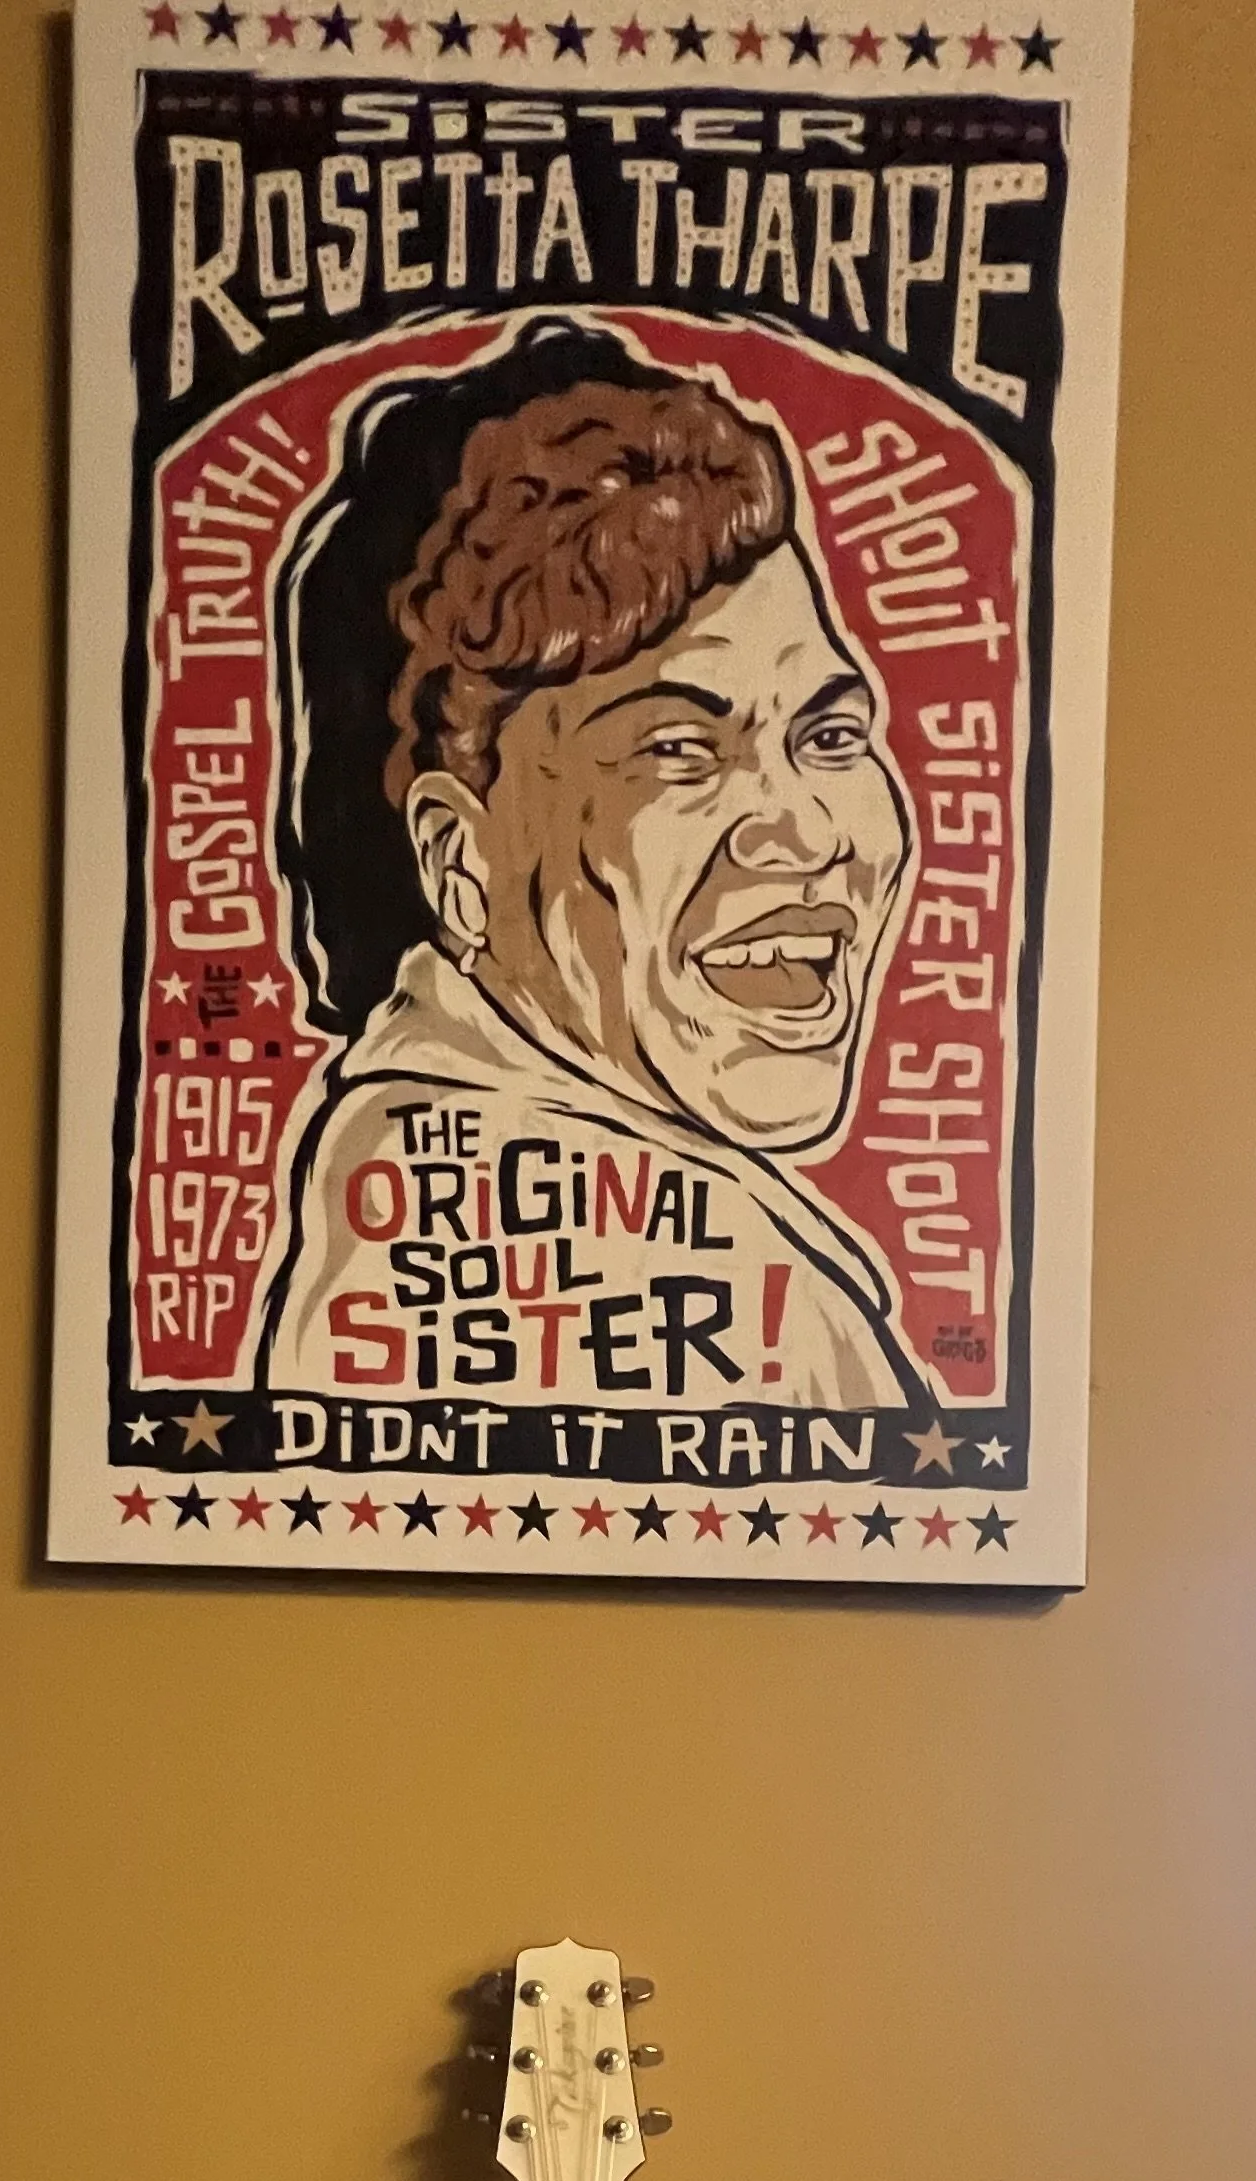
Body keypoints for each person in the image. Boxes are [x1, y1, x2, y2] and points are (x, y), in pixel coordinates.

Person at [255, 365, 924, 1416]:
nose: (808, 832)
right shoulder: (710, 1280)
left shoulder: (406, 1170)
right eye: (678, 752)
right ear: (460, 860)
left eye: (830, 736)